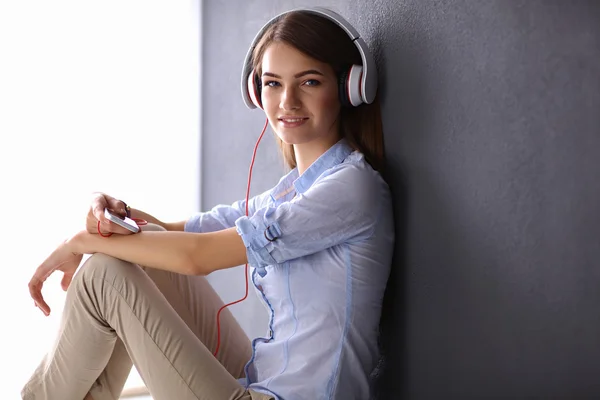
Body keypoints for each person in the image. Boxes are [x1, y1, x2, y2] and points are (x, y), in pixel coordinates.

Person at [22, 7, 394, 400]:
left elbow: (198, 256)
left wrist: (81, 242)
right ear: (256, 91)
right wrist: (107, 209)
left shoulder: (351, 188)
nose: (287, 101)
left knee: (101, 276)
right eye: (272, 83)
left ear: (349, 87)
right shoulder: (294, 191)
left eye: (310, 82)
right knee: (134, 256)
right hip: (262, 382)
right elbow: (175, 234)